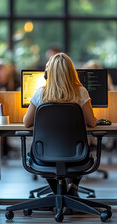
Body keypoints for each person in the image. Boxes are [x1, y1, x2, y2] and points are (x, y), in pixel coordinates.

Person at [23, 53, 97, 196]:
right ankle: (72, 188)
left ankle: (59, 193)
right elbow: (91, 123)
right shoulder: (80, 93)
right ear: (72, 73)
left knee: (41, 154)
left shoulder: (40, 94)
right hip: (77, 157)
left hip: (44, 158)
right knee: (82, 146)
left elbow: (26, 123)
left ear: (47, 73)